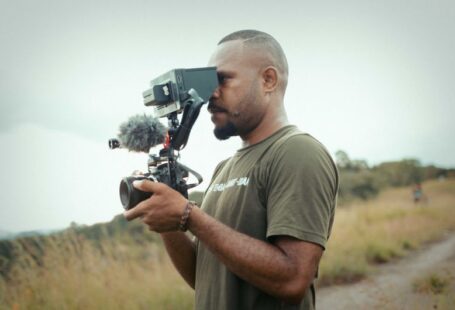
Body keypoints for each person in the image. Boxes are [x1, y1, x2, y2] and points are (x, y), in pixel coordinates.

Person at [124, 30, 338, 310]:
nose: (210, 94)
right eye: (209, 81)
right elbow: (203, 277)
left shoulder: (297, 152)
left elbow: (294, 279)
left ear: (268, 80)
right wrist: (169, 218)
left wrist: (189, 215)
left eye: (223, 79)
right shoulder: (224, 168)